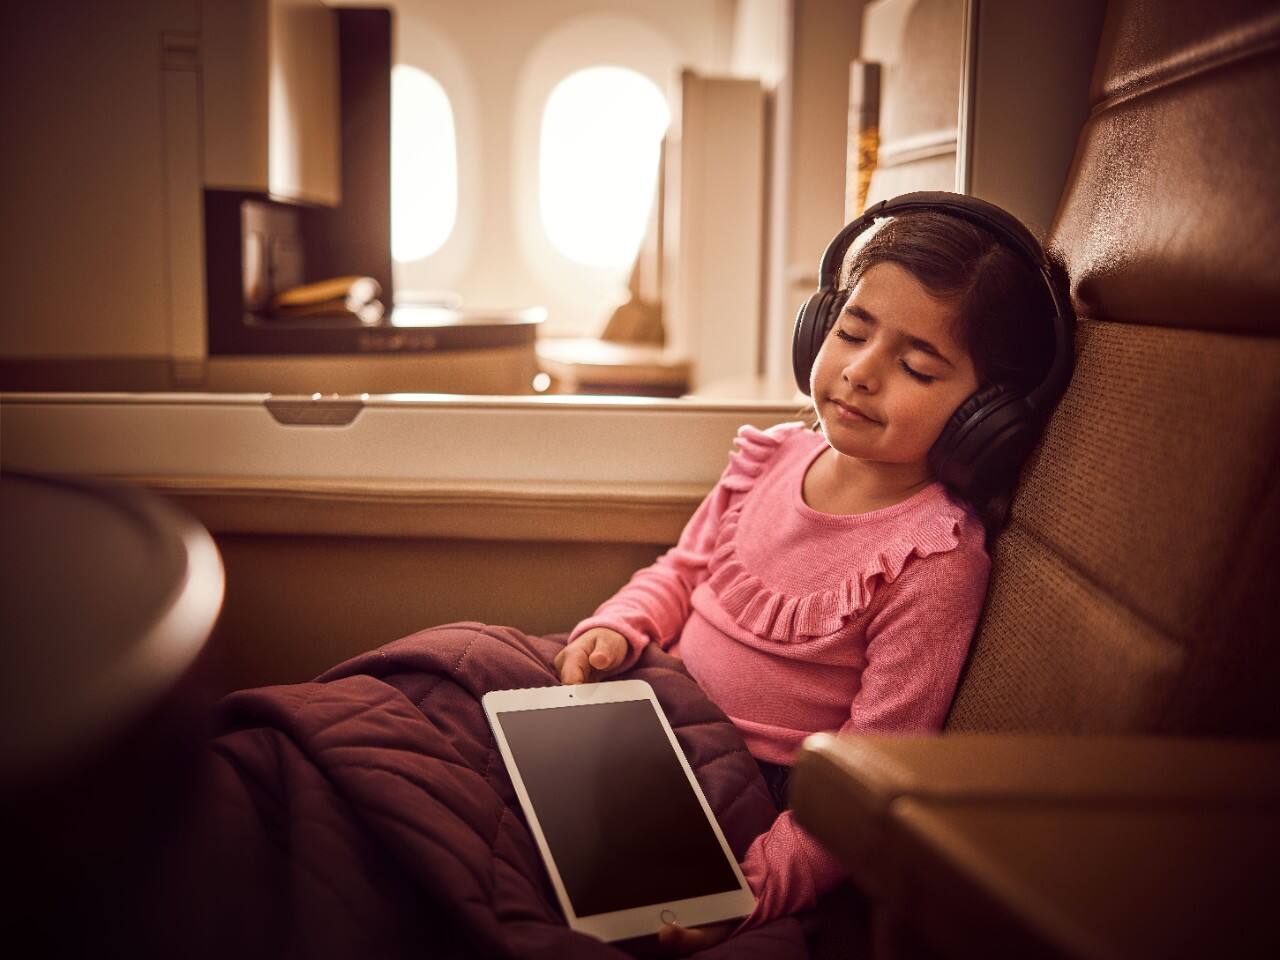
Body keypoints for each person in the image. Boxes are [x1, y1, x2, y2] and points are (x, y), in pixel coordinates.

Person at [553, 196, 1067, 954]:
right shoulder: (771, 457)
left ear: (984, 417)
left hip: (744, 791)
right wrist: (616, 626)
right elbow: (682, 571)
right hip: (647, 716)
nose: (859, 372)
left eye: (917, 367)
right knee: (458, 669)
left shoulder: (934, 561)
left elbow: (871, 765)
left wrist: (755, 888)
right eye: (851, 332)